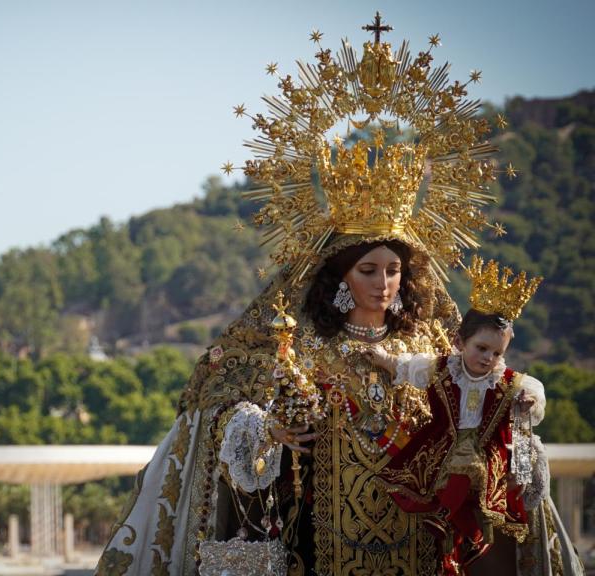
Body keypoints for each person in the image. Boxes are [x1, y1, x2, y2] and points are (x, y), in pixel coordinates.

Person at [96, 15, 577, 576]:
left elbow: (486, 385)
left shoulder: (431, 336)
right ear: (341, 277)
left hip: (418, 538)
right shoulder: (296, 336)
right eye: (368, 269)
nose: (383, 283)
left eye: (394, 269)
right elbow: (220, 397)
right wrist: (265, 426)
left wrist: (520, 402)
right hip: (318, 539)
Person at [364, 257, 541, 573]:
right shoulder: (443, 369)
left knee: (474, 496)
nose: (488, 358)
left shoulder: (510, 384)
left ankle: (460, 541)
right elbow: (405, 367)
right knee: (445, 493)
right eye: (482, 348)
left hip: (488, 458)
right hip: (441, 450)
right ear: (460, 342)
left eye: (497, 353)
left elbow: (523, 430)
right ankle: (447, 540)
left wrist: (523, 471)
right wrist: (381, 358)